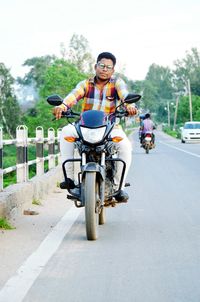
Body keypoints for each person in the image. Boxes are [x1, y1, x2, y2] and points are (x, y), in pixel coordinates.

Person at [53, 52, 138, 203]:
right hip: (85, 126)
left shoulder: (117, 83)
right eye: (102, 65)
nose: (104, 69)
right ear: (96, 66)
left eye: (108, 67)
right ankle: (70, 179)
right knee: (66, 132)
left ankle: (119, 187)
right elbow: (73, 96)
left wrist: (130, 106)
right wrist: (62, 106)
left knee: (125, 146)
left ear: (113, 70)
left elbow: (125, 95)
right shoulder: (85, 84)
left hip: (111, 127)